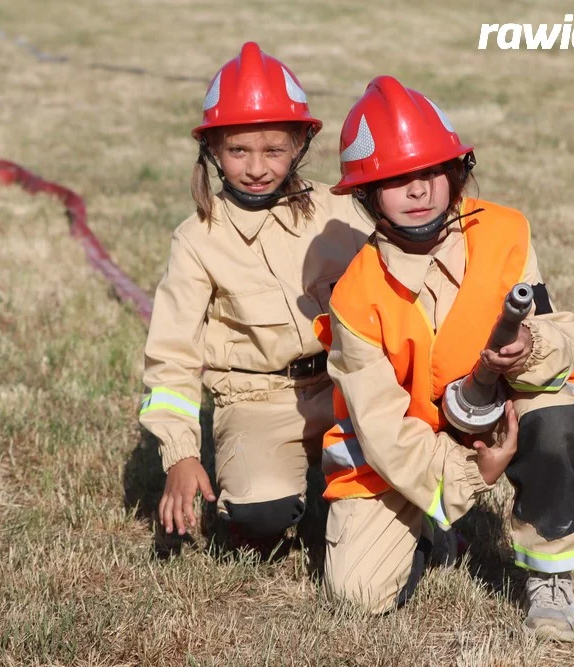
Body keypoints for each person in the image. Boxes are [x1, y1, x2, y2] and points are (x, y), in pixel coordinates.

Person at [317, 75, 574, 642]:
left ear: (456, 171)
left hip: (504, 408)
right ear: (366, 195)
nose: (418, 190)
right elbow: (380, 428)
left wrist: (529, 350)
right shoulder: (354, 295)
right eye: (396, 179)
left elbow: (558, 335)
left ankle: (550, 577)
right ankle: (433, 527)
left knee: (554, 409)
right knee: (357, 596)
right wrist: (469, 472)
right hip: (414, 441)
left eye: (430, 172)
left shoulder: (506, 231)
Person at [139, 43, 373, 553]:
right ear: (213, 152)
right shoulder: (197, 238)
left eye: (274, 150)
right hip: (257, 399)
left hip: (346, 386)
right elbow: (172, 359)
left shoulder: (342, 212)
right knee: (259, 520)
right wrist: (180, 454)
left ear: (300, 145)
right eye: (238, 150)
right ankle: (262, 497)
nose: (257, 167)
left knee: (381, 502)